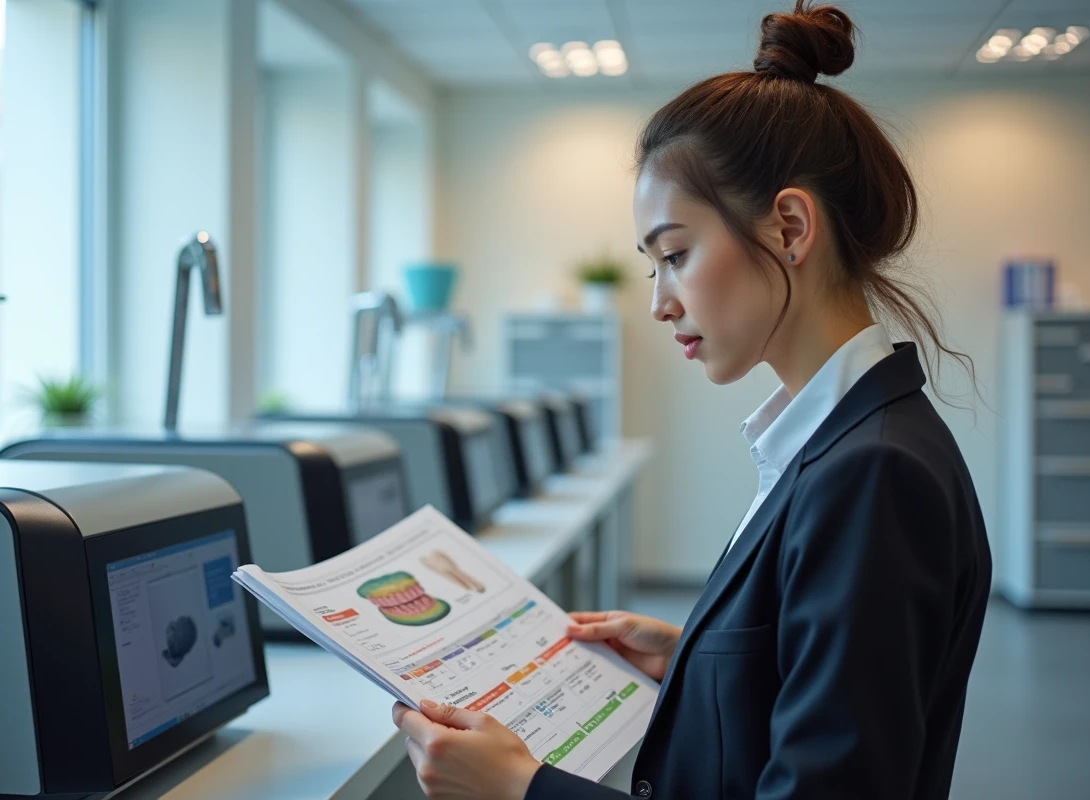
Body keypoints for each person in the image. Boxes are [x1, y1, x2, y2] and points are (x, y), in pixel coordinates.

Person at [392, 2, 992, 798]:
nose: (660, 303)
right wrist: (703, 657)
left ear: (789, 226)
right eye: (652, 267)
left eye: (674, 254)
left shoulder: (871, 474)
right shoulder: (842, 442)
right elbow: (823, 683)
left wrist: (524, 789)